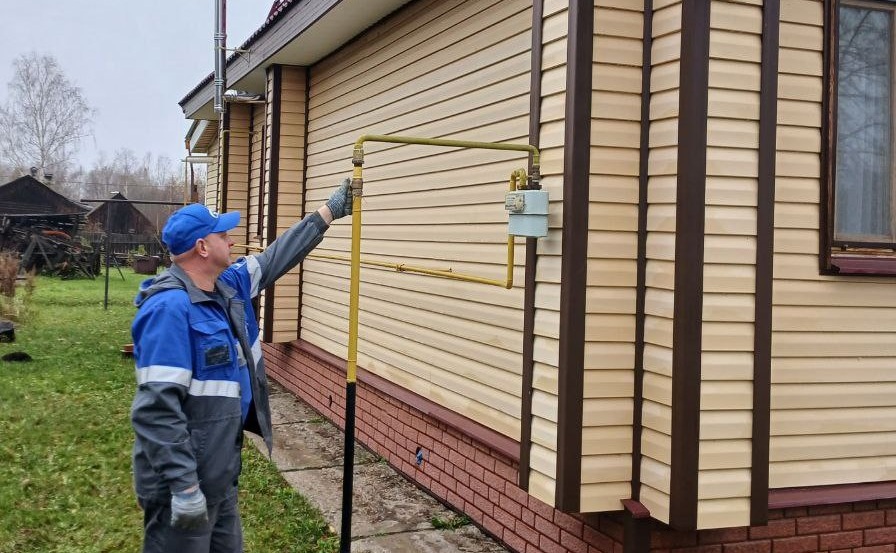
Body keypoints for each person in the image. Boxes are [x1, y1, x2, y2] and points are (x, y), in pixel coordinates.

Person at [130, 179, 352, 553]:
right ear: (202, 247)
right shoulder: (169, 309)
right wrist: (184, 488)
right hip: (182, 487)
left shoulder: (227, 285)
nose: (231, 240)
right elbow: (156, 412)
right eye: (221, 234)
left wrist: (327, 213)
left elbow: (275, 257)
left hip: (220, 475)